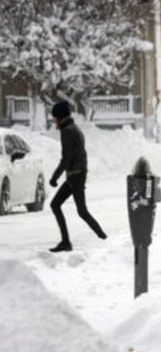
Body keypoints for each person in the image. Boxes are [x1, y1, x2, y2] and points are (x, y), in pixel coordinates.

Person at [48, 100, 107, 252]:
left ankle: (103, 239)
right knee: (70, 208)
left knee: (77, 210)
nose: (53, 120)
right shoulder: (74, 129)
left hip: (75, 175)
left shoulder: (67, 131)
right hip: (77, 174)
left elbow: (66, 158)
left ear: (60, 117)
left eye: (54, 117)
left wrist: (55, 177)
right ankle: (68, 241)